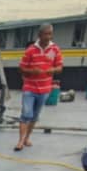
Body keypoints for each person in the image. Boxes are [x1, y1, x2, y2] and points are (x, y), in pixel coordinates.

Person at [15, 24, 63, 152]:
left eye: (50, 34)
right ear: (39, 35)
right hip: (29, 88)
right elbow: (21, 68)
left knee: (35, 116)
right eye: (46, 34)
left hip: (45, 89)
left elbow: (59, 67)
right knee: (26, 114)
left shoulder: (55, 49)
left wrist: (53, 70)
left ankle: (27, 138)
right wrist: (32, 71)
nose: (48, 37)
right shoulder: (30, 50)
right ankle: (20, 141)